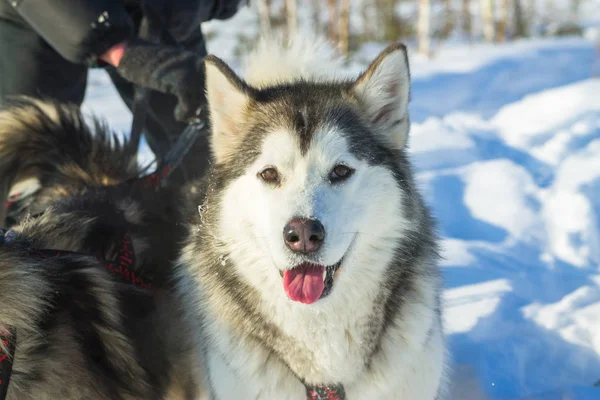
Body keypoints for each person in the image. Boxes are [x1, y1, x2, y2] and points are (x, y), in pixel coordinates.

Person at [0, 0, 245, 184]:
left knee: (201, 148)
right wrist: (125, 52)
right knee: (25, 145)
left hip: (155, 13)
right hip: (43, 14)